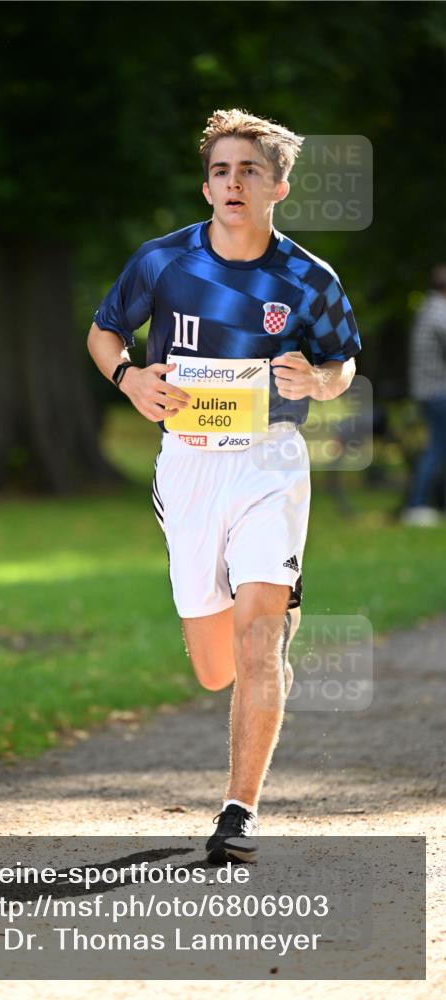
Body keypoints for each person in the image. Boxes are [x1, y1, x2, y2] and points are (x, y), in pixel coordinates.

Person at [87, 108, 361, 862]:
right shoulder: (161, 262)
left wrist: (320, 379)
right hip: (188, 463)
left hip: (270, 460)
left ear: (278, 183)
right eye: (220, 170)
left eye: (248, 170)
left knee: (257, 639)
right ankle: (256, 631)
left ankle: (238, 811)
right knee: (214, 665)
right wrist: (128, 376)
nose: (232, 182)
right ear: (206, 185)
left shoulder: (308, 278)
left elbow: (342, 363)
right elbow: (104, 331)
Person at [401, 265, 446, 526]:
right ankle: (417, 505)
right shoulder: (439, 312)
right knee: (437, 447)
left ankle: (429, 503)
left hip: (426, 389)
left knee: (438, 446)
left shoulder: (427, 309)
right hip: (437, 390)